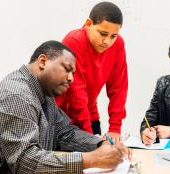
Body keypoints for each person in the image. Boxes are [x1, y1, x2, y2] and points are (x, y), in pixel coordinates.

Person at [0, 40, 131, 173]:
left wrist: (100, 144)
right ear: (43, 61)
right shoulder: (16, 93)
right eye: (67, 69)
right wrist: (92, 159)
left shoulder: (45, 93)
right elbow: (24, 161)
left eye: (73, 73)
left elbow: (64, 132)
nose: (71, 78)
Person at [55, 1, 128, 142]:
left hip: (89, 115)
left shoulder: (118, 44)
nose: (107, 41)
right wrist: (89, 136)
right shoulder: (74, 40)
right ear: (89, 24)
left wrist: (115, 128)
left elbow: (119, 87)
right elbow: (76, 91)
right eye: (103, 34)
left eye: (113, 36)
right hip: (62, 118)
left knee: (102, 159)